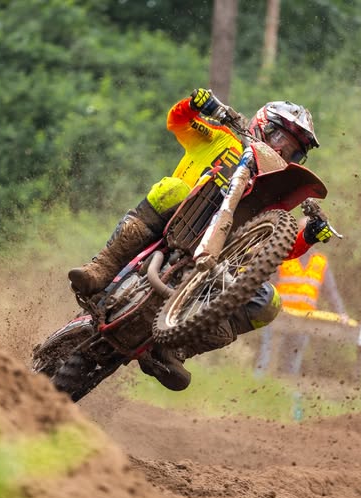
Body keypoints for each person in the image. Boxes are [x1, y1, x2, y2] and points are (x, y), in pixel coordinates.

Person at [68, 89, 333, 390]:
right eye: (280, 138)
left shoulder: (278, 190)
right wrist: (195, 104)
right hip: (175, 222)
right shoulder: (222, 138)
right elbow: (178, 121)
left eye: (294, 151)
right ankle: (101, 268)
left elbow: (270, 247)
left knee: (268, 301)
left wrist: (308, 236)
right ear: (263, 126)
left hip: (219, 263)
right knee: (172, 189)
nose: (283, 150)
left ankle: (177, 349)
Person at [255, 237, 347, 376]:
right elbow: (268, 284)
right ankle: (257, 384)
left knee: (293, 360)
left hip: (304, 319)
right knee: (267, 354)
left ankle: (287, 387)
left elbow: (331, 291)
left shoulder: (320, 262)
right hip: (278, 314)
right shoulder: (284, 256)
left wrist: (341, 313)